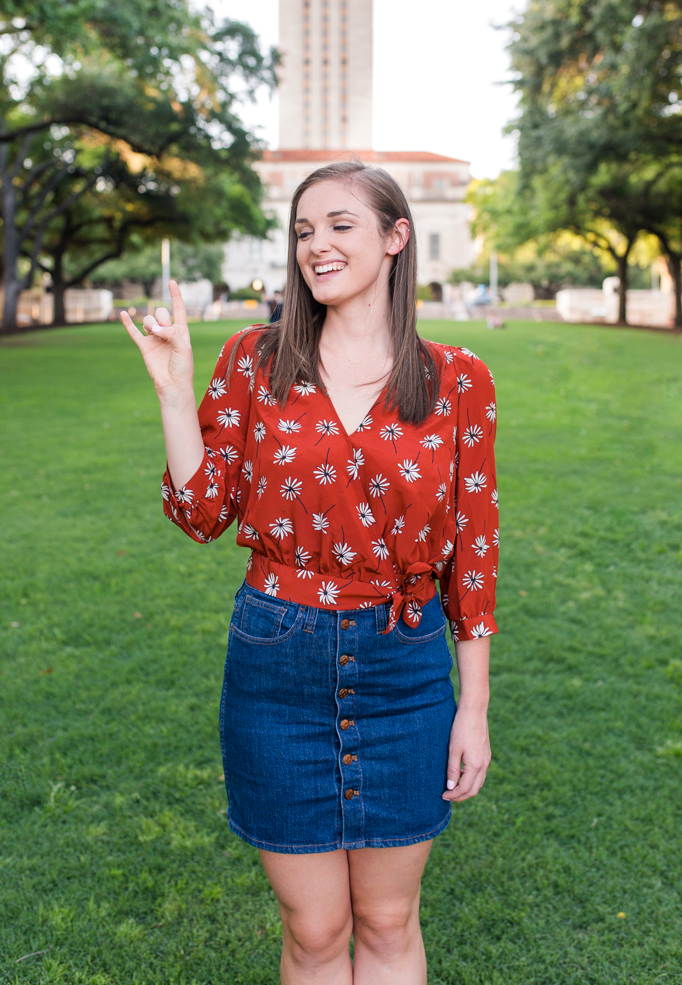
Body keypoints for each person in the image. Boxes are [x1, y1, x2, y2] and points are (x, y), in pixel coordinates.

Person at [121, 161, 499, 985]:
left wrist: (473, 707)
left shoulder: (458, 379)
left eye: (339, 226)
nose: (315, 246)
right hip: (276, 658)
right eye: (302, 231)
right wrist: (175, 393)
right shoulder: (256, 361)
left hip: (405, 665)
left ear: (396, 238)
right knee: (317, 929)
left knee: (390, 920)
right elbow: (201, 513)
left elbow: (473, 551)